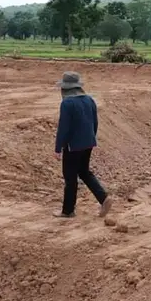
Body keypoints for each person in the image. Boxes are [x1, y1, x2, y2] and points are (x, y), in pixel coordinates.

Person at [53, 72, 112, 219]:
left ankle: (68, 211)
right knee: (84, 172)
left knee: (70, 177)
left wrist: (58, 147)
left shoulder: (67, 104)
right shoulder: (89, 100)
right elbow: (95, 123)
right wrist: (90, 138)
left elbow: (64, 128)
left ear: (65, 89)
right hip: (88, 142)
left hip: (73, 145)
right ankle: (104, 198)